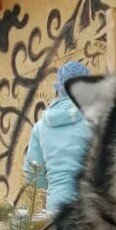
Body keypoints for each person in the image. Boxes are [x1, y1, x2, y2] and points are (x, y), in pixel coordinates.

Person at [23, 60, 91, 215]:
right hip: (89, 207)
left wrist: (55, 183)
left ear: (58, 88)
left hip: (56, 208)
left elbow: (32, 174)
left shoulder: (40, 127)